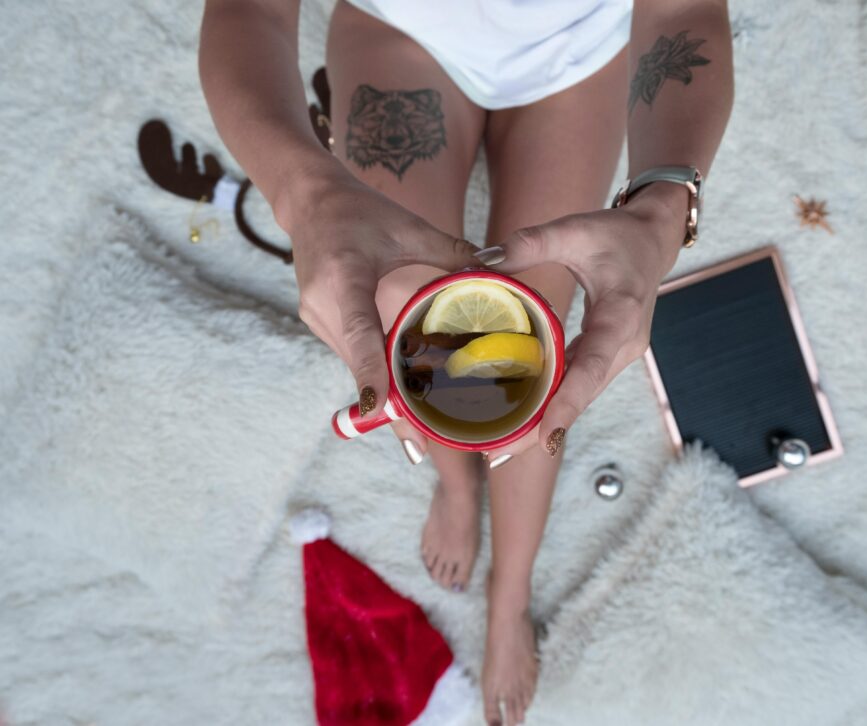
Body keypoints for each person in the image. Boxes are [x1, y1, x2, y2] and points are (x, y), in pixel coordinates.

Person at [199, 0, 733, 722]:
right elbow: (246, 10)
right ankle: (454, 480)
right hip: (397, 31)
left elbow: (687, 10)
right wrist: (306, 194)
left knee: (531, 368)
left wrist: (663, 213)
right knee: (413, 333)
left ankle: (508, 594)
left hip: (576, 57)